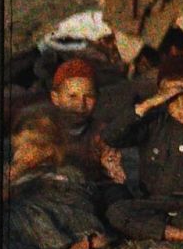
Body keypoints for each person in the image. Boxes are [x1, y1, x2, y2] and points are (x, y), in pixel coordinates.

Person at [99, 55, 183, 245]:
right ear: (160, 96)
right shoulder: (153, 122)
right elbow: (111, 137)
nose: (181, 106)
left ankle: (160, 229)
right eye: (172, 98)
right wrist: (147, 105)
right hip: (154, 204)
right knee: (117, 212)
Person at [13, 58, 129, 218]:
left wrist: (114, 168)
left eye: (88, 97)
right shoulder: (43, 128)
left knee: (118, 201)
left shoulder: (101, 131)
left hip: (90, 192)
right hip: (53, 191)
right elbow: (22, 167)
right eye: (72, 97)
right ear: (55, 98)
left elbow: (112, 171)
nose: (80, 105)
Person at [5, 116, 110, 249]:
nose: (19, 154)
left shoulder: (64, 171)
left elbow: (77, 195)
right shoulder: (17, 171)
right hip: (36, 219)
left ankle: (76, 241)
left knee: (31, 213)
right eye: (18, 148)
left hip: (65, 214)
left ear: (49, 149)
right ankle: (68, 244)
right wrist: (14, 176)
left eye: (27, 147)